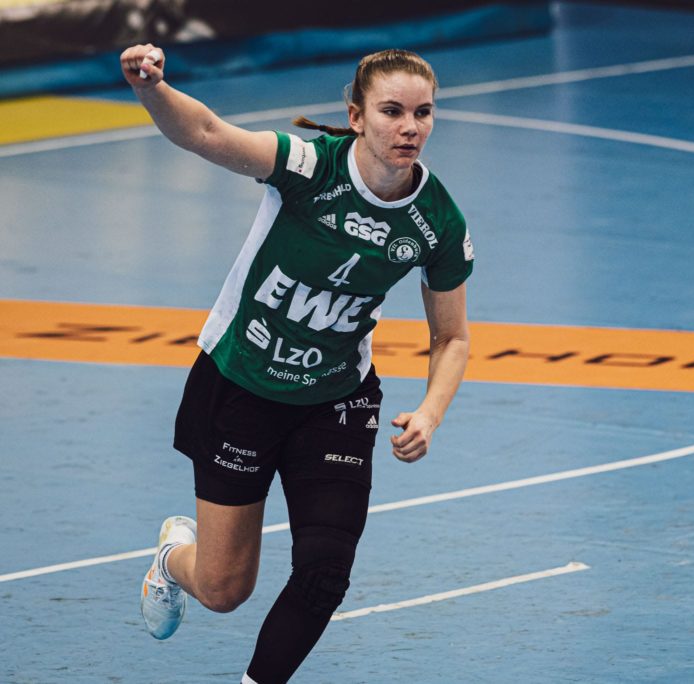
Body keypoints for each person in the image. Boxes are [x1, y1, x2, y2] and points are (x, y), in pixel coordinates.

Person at [121, 42, 473, 683]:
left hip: (336, 397)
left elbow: (450, 337)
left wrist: (431, 411)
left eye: (423, 113)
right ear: (356, 116)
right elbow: (206, 133)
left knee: (325, 572)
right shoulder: (308, 167)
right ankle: (173, 558)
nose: (410, 127)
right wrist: (151, 89)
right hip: (241, 384)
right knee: (224, 589)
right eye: (392, 111)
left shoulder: (437, 222)